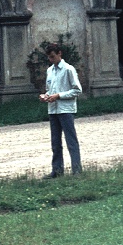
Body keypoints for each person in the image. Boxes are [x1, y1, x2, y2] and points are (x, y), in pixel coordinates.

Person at [39, 42, 83, 177]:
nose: (51, 60)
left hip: (66, 109)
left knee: (71, 140)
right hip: (53, 110)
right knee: (55, 142)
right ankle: (57, 170)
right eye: (49, 58)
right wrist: (45, 96)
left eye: (53, 57)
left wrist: (59, 96)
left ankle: (77, 170)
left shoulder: (69, 69)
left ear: (59, 54)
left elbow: (77, 90)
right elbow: (49, 89)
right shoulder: (49, 70)